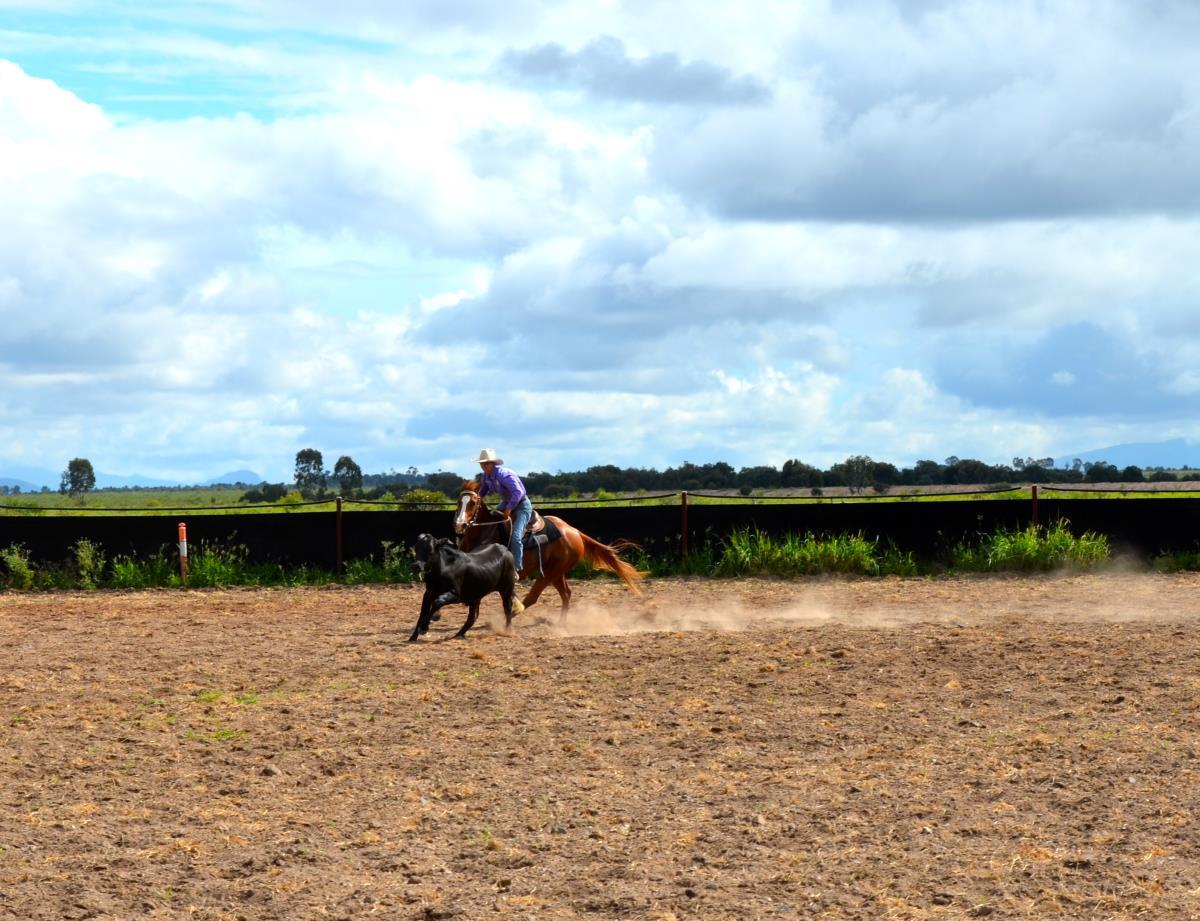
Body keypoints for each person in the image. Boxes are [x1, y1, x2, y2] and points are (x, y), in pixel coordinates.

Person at [474, 448, 533, 576]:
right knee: (491, 520)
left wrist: (509, 508)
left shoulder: (504, 475)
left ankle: (516, 568)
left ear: (492, 463)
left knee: (516, 536)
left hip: (522, 505)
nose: (483, 466)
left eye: (486, 463)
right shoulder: (486, 476)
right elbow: (484, 490)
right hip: (506, 502)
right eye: (481, 463)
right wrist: (477, 497)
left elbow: (518, 492)